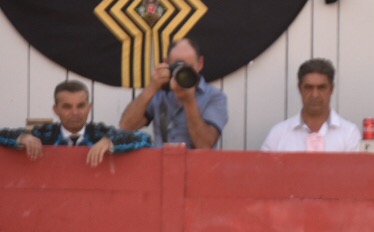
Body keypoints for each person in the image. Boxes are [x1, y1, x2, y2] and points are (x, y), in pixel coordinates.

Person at [1, 79, 151, 164]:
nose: (75, 113)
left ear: (89, 107)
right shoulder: (44, 135)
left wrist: (110, 141)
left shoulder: (100, 134)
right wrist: (23, 137)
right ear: (55, 109)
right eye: (67, 107)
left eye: (81, 106)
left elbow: (145, 139)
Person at [119, 36, 227, 149]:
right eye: (178, 66)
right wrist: (152, 87)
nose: (183, 73)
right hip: (161, 164)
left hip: (198, 166)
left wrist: (189, 101)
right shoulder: (159, 93)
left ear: (200, 63)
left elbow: (205, 146)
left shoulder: (215, 97)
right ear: (167, 63)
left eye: (188, 67)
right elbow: (126, 127)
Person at [260, 59, 364, 152]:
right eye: (309, 87)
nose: (315, 95)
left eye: (322, 87)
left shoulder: (349, 133)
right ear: (300, 89)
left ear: (331, 89)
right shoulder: (278, 134)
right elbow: (263, 172)